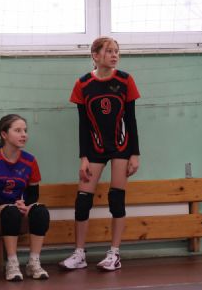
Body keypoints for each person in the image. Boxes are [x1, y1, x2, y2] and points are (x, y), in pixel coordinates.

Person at [59, 36, 140, 272]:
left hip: (121, 147)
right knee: (82, 201)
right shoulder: (83, 84)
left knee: (116, 199)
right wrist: (83, 157)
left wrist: (135, 154)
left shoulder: (125, 80)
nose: (115, 55)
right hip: (94, 148)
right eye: (109, 51)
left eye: (117, 51)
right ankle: (79, 254)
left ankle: (114, 253)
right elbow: (83, 125)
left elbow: (131, 120)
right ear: (95, 56)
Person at [0, 114, 50, 282]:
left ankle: (34, 262)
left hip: (19, 210)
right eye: (18, 130)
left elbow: (33, 194)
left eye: (25, 130)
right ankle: (12, 263)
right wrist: (9, 205)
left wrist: (25, 204)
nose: (23, 134)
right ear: (4, 134)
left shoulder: (30, 160)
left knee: (40, 211)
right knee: (10, 211)